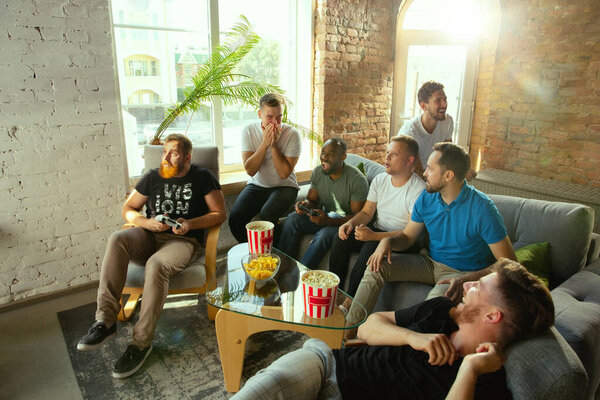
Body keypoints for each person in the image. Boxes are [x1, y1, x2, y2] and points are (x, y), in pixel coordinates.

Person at [230, 259, 555, 400]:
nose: (467, 285)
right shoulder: (442, 310)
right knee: (272, 385)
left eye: (478, 288)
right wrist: (414, 338)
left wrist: (468, 370)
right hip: (328, 365)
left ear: (493, 316)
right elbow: (370, 326)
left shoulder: (487, 381)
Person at [77, 134, 226, 378]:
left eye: (173, 153)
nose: (165, 157)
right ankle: (105, 321)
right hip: (149, 236)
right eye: (164, 151)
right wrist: (146, 222)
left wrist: (190, 223)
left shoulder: (202, 177)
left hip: (183, 241)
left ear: (187, 157)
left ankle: (141, 343)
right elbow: (128, 209)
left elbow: (219, 214)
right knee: (117, 239)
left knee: (156, 265)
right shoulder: (153, 176)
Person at [346, 142, 516, 332]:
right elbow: (408, 237)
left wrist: (469, 278)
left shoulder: (483, 209)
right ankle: (349, 333)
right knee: (376, 267)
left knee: (430, 308)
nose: (424, 173)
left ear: (448, 175)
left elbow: (509, 263)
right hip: (430, 262)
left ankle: (404, 349)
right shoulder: (427, 198)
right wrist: (387, 240)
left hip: (460, 273)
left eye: (430, 168)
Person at [329, 136, 425, 296]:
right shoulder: (380, 180)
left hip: (401, 240)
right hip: (377, 229)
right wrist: (350, 224)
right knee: (341, 238)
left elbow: (408, 234)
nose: (386, 157)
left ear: (409, 160)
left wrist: (373, 236)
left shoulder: (418, 190)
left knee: (369, 248)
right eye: (387, 152)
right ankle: (335, 293)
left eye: (393, 154)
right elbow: (367, 213)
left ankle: (350, 301)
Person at [277, 138, 368, 269]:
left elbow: (358, 218)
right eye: (323, 153)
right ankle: (282, 267)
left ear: (343, 157)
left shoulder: (357, 180)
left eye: (330, 154)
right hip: (326, 216)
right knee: (292, 218)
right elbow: (312, 200)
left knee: (323, 235)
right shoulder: (318, 172)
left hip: (345, 225)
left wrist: (328, 220)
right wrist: (305, 205)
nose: (323, 157)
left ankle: (303, 275)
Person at [228, 93, 302, 244]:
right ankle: (255, 253)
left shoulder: (292, 134)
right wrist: (264, 143)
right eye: (269, 117)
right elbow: (250, 170)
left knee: (267, 213)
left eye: (279, 117)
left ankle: (278, 255)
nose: (275, 122)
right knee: (235, 218)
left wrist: (274, 145)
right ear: (260, 114)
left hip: (285, 187)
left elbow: (283, 174)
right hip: (257, 185)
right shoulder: (248, 131)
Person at [398, 81, 476, 180]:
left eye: (445, 99)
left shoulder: (447, 121)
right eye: (438, 101)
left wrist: (461, 169)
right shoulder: (410, 131)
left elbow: (449, 153)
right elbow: (418, 173)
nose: (444, 104)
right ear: (423, 106)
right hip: (412, 178)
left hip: (432, 174)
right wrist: (457, 175)